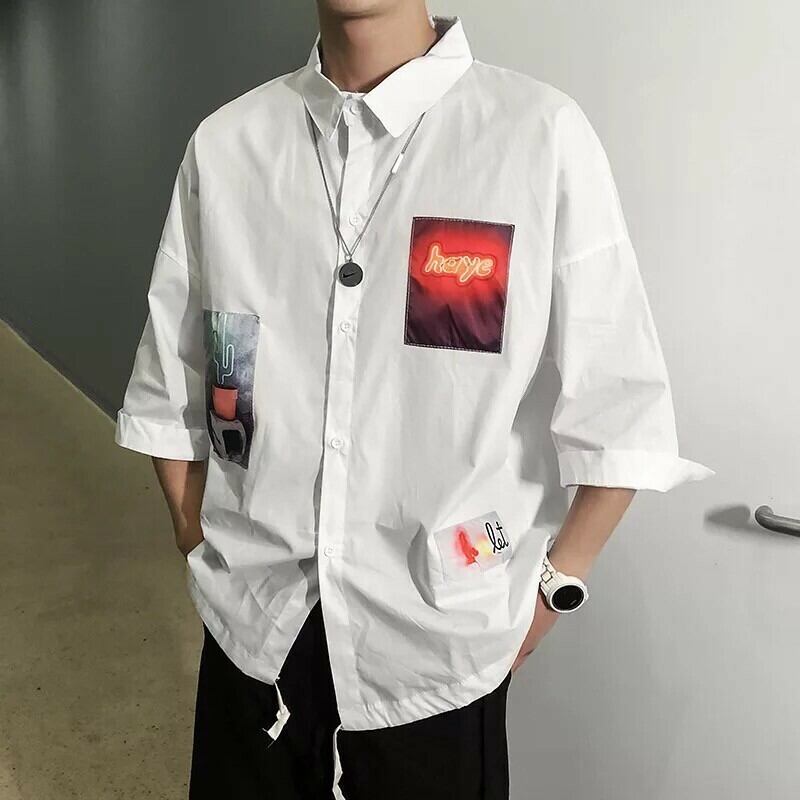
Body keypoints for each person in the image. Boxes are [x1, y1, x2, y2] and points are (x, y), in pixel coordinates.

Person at [114, 2, 714, 798]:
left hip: (438, 655)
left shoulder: (535, 136)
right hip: (254, 637)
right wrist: (201, 544)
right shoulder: (228, 145)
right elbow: (170, 389)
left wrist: (554, 585)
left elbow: (620, 407)